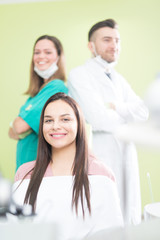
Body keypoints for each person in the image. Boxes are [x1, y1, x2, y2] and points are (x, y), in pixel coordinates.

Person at [68, 19, 149, 224]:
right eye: (107, 40)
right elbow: (99, 118)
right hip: (100, 153)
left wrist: (118, 107)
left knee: (129, 214)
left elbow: (144, 112)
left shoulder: (118, 78)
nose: (114, 46)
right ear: (91, 46)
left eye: (117, 41)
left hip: (126, 153)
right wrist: (127, 116)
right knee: (104, 218)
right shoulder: (79, 75)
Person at [13, 93, 123, 240]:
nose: (55, 126)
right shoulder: (25, 173)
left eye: (65, 119)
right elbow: (15, 229)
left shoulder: (101, 174)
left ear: (79, 124)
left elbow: (112, 233)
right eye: (49, 120)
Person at [8, 35, 68, 171]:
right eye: (37, 52)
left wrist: (19, 124)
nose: (41, 57)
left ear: (58, 57)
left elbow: (19, 127)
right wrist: (17, 126)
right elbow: (11, 132)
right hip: (24, 168)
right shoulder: (36, 94)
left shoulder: (56, 87)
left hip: (39, 168)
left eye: (48, 52)